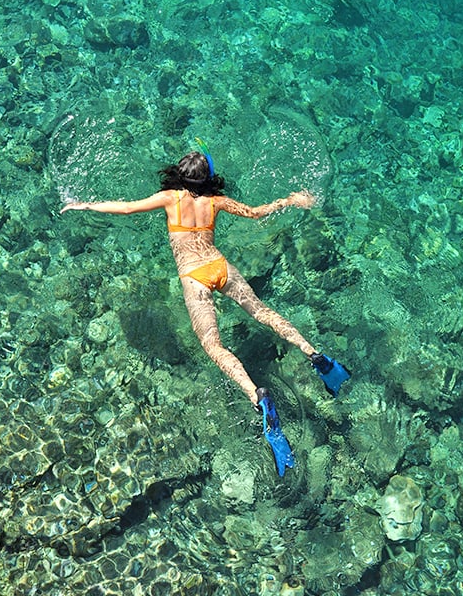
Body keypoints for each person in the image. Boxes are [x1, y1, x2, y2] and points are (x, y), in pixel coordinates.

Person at [60, 141, 350, 475]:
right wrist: (291, 200)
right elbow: (256, 213)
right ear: (208, 178)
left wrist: (83, 205)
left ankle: (257, 395)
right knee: (263, 312)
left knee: (213, 345)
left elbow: (126, 209)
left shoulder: (171, 198)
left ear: (180, 175)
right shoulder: (216, 201)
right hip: (220, 266)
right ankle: (315, 356)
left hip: (194, 276)